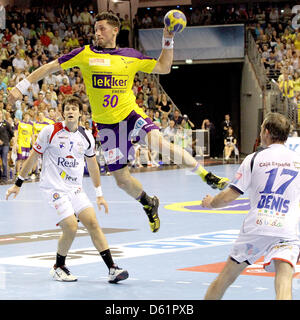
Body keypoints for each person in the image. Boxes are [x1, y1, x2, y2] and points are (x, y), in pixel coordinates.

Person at [8, 12, 229, 234]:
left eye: (102, 28)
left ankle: (206, 175)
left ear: (115, 30)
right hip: (107, 127)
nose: (97, 32)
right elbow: (50, 67)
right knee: (122, 180)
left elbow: (164, 67)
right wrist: (22, 86)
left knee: (158, 143)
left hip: (130, 116)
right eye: (95, 29)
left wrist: (168, 37)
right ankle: (148, 202)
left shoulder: (130, 56)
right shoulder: (85, 54)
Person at [6, 96, 128, 284]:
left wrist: (99, 194)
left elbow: (93, 164)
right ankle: (58, 267)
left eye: (74, 108)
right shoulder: (50, 132)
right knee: (71, 226)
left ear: (80, 113)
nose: (70, 111)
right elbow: (33, 157)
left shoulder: (86, 135)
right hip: (53, 188)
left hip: (75, 189)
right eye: (67, 109)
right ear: (63, 112)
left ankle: (112, 269)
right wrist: (18, 183)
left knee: (93, 222)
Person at [202, 112, 300, 300]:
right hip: (286, 229)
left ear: (267, 132)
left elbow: (229, 196)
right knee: (284, 283)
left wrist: (211, 203)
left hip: (257, 226)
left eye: (262, 128)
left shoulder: (254, 159)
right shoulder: (297, 160)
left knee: (225, 278)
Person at [0, 111, 14, 181]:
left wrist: (6, 140)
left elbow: (12, 133)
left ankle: (4, 177)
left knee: (4, 160)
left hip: (5, 145)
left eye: (0, 113)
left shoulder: (6, 123)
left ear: (2, 114)